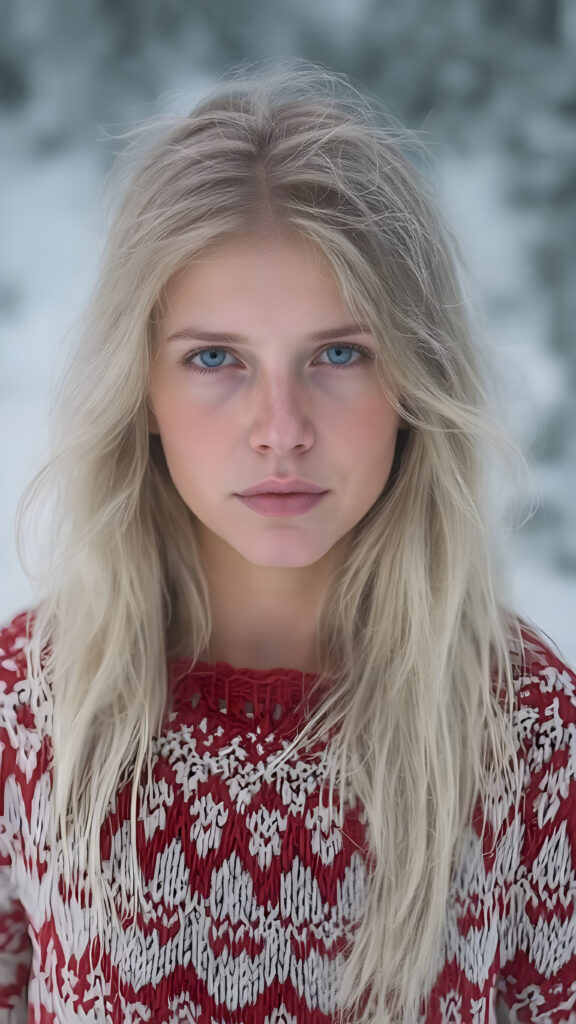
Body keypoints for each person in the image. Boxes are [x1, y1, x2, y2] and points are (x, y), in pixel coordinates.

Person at [0, 58, 574, 1024]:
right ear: (142, 389)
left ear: (414, 385)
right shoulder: (29, 708)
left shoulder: (529, 731)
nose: (281, 427)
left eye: (339, 354)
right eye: (215, 358)